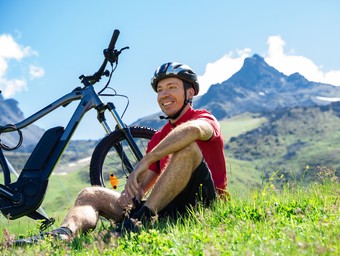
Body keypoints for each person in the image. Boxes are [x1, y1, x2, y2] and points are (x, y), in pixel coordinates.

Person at [13, 62, 228, 246]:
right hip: (165, 209)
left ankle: (139, 224)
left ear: (190, 93)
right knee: (91, 194)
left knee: (187, 148)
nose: (164, 95)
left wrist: (147, 160)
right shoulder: (157, 138)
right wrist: (130, 193)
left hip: (203, 205)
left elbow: (194, 131)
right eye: (160, 90)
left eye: (172, 87)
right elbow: (143, 185)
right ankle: (64, 233)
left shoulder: (204, 118)